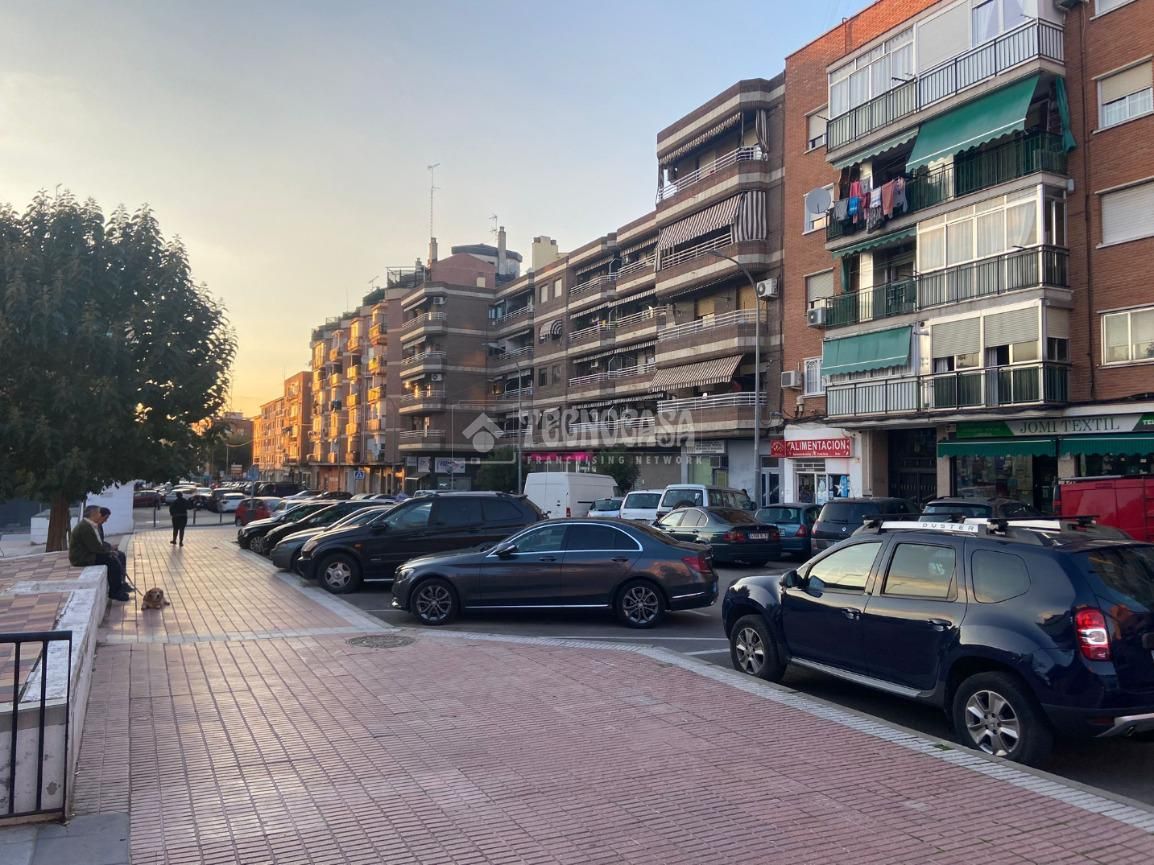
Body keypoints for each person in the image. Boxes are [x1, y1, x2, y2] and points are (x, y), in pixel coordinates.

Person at [69, 505, 131, 602]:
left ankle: (120, 585)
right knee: (112, 561)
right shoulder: (85, 527)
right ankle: (115, 592)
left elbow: (98, 544)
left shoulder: (91, 525)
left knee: (118, 556)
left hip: (89, 553)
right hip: (82, 557)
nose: (100, 514)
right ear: (93, 514)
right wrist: (110, 552)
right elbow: (95, 547)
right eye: (98, 512)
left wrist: (110, 551)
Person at [96, 507, 135, 592]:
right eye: (105, 518)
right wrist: (110, 548)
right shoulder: (94, 527)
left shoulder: (99, 526)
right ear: (100, 516)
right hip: (97, 553)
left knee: (121, 555)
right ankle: (117, 586)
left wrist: (110, 546)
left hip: (103, 549)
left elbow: (101, 542)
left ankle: (123, 582)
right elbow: (97, 544)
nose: (105, 521)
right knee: (115, 558)